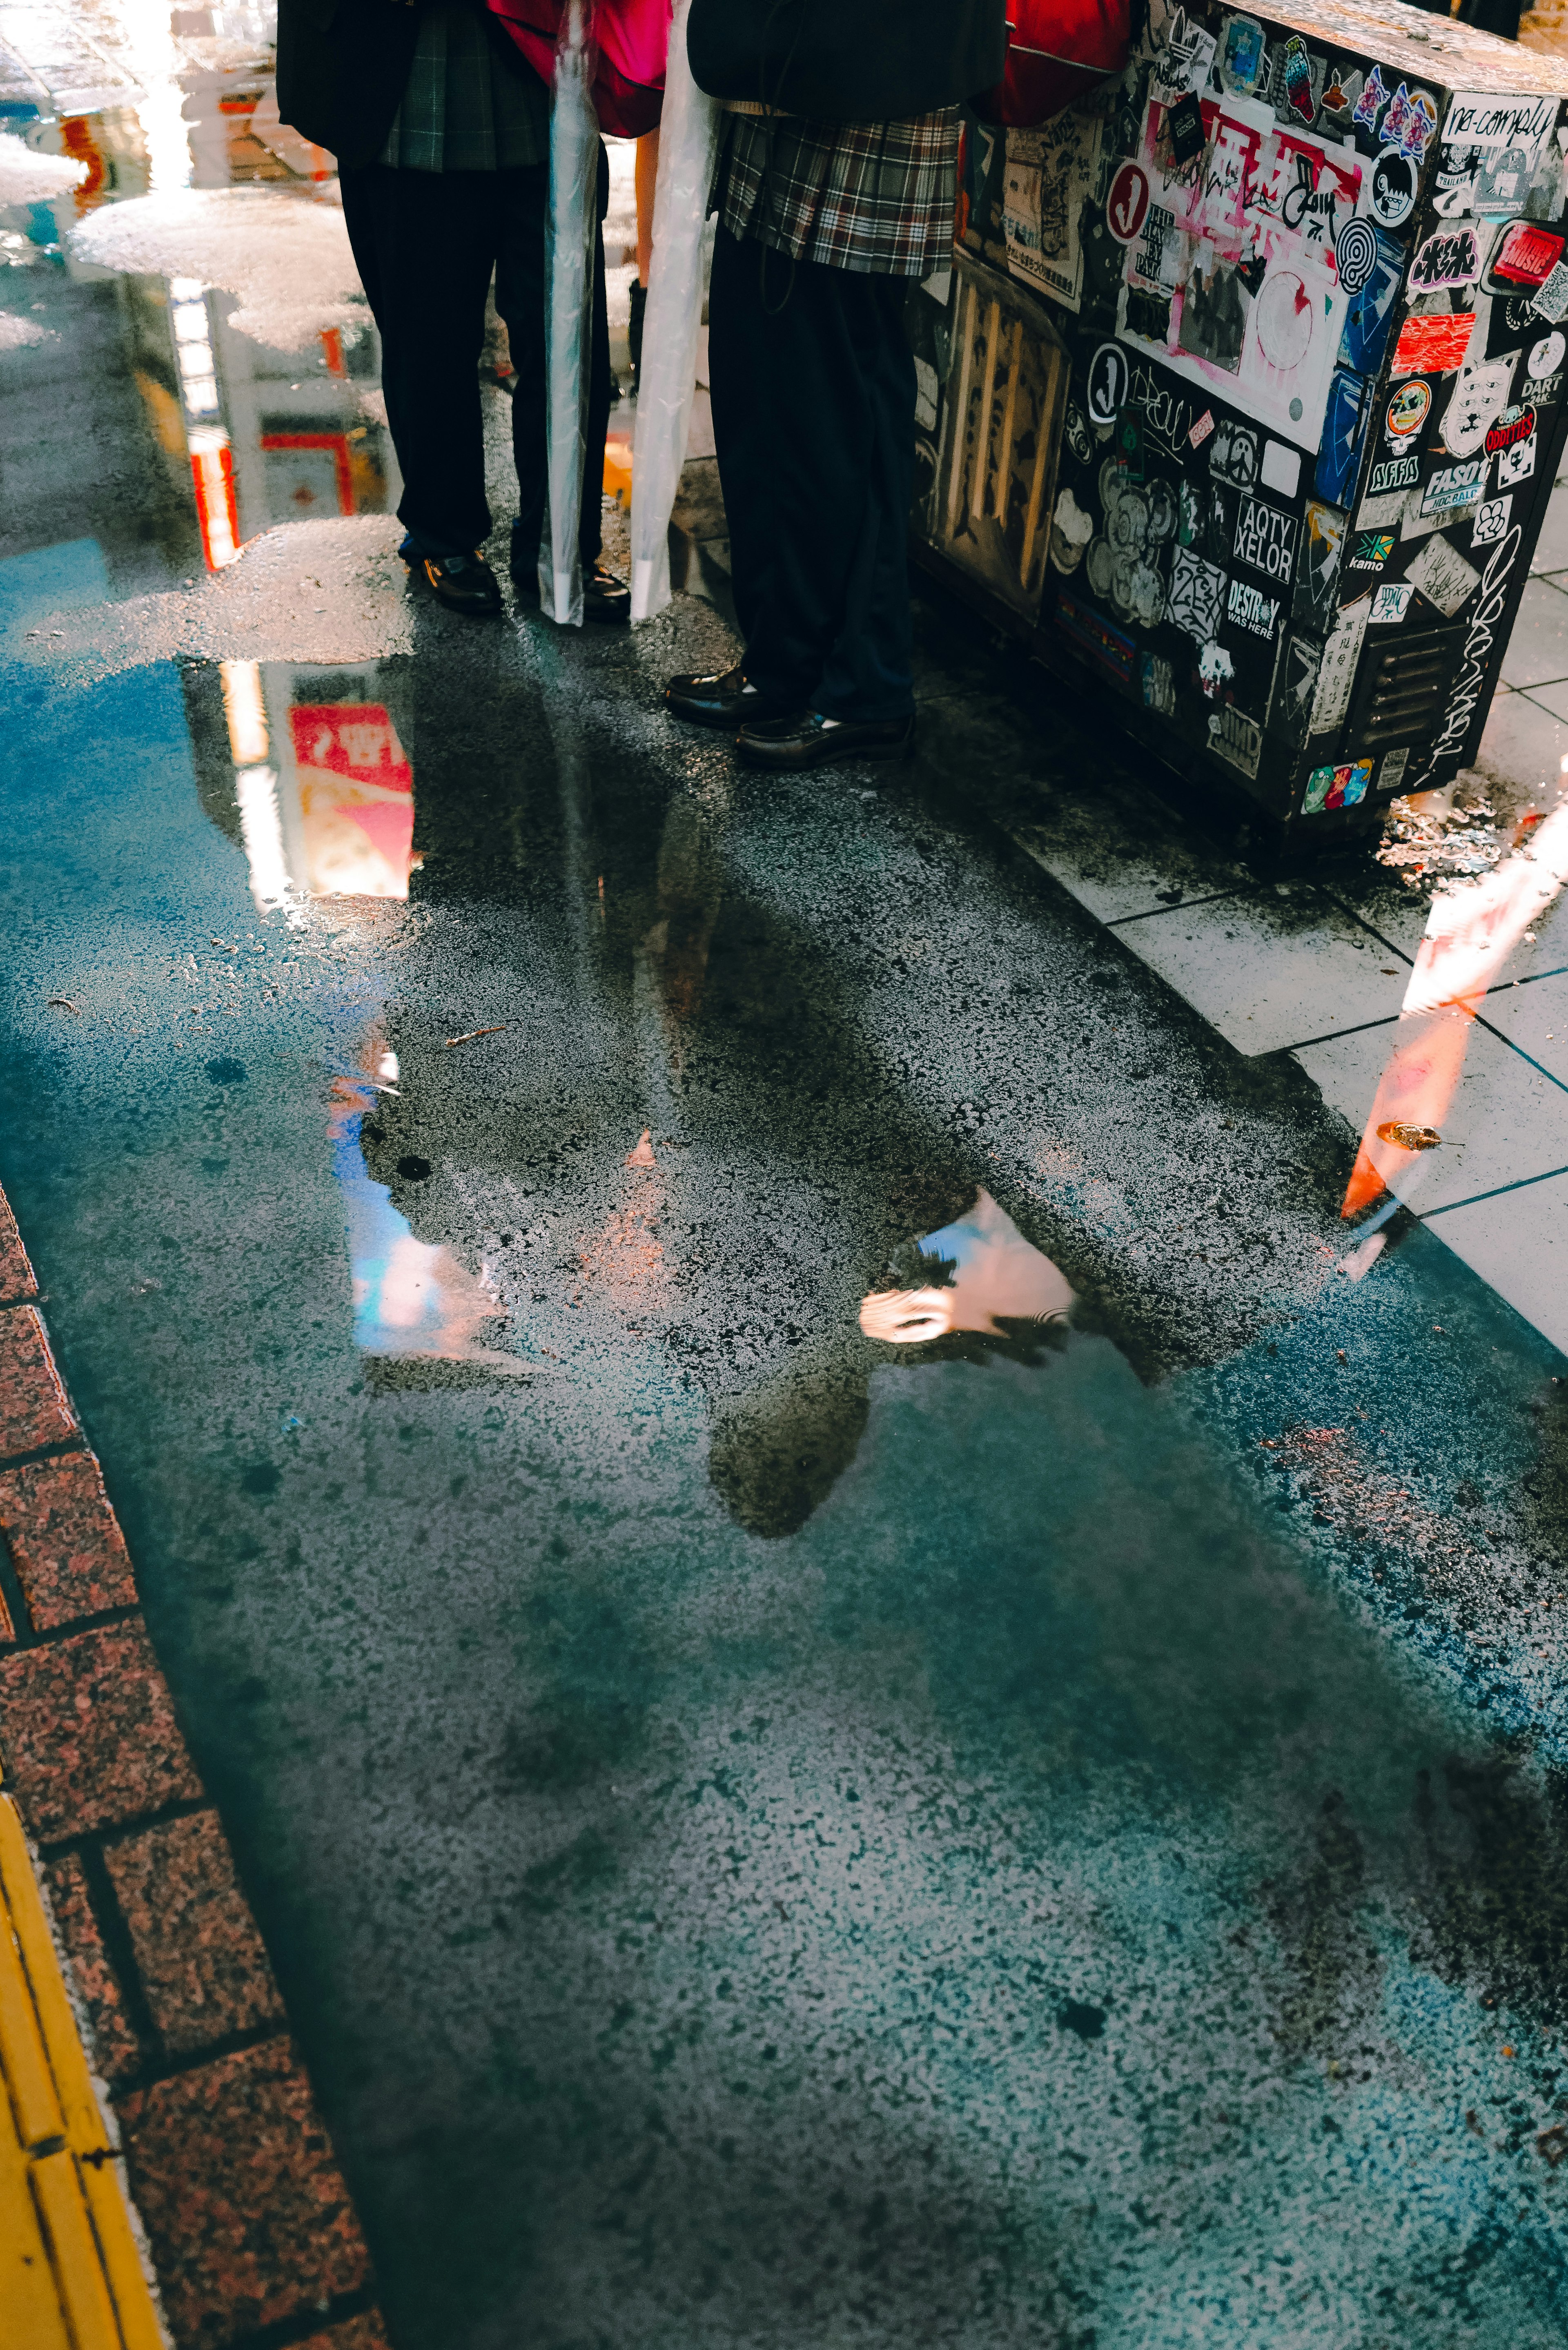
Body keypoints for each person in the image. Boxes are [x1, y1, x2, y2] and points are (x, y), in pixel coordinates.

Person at [664, 4, 1003, 769]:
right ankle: (785, 660)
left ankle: (864, 687)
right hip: (786, 70)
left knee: (841, 413)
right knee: (765, 394)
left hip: (873, 87)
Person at [275, 0, 630, 622]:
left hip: (543, 67)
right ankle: (446, 535)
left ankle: (562, 544)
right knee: (429, 345)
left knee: (568, 339)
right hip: (407, 80)